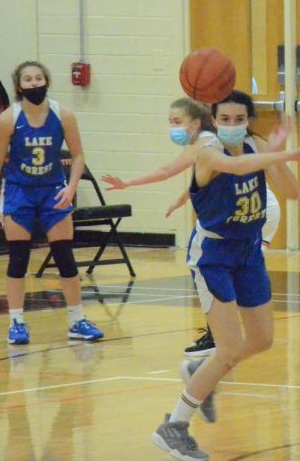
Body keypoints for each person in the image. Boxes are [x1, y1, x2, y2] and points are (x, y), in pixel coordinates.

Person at [150, 98, 300, 461]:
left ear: (249, 121)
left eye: (240, 118)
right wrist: (285, 155)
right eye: (225, 118)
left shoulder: (256, 146)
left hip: (247, 252)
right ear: (213, 121)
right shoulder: (207, 150)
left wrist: (276, 156)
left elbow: (292, 193)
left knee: (262, 339)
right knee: (228, 349)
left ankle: (201, 370)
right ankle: (174, 427)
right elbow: (237, 166)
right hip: (213, 256)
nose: (232, 123)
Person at [101, 90, 289, 359]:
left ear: (196, 123)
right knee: (232, 273)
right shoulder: (213, 144)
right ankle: (221, 338)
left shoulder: (205, 141)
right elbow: (205, 182)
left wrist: (129, 183)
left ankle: (220, 340)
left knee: (228, 267)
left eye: (177, 121)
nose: (173, 128)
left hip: (253, 208)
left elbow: (168, 171)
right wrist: (185, 198)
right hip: (245, 207)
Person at [0, 60, 104, 344]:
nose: (34, 83)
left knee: (65, 257)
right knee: (18, 258)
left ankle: (77, 320)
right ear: (19, 87)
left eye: (38, 78)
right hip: (19, 191)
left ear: (46, 81)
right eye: (27, 79)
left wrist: (71, 188)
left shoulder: (63, 114)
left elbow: (78, 155)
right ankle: (16, 323)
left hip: (53, 191)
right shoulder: (9, 119)